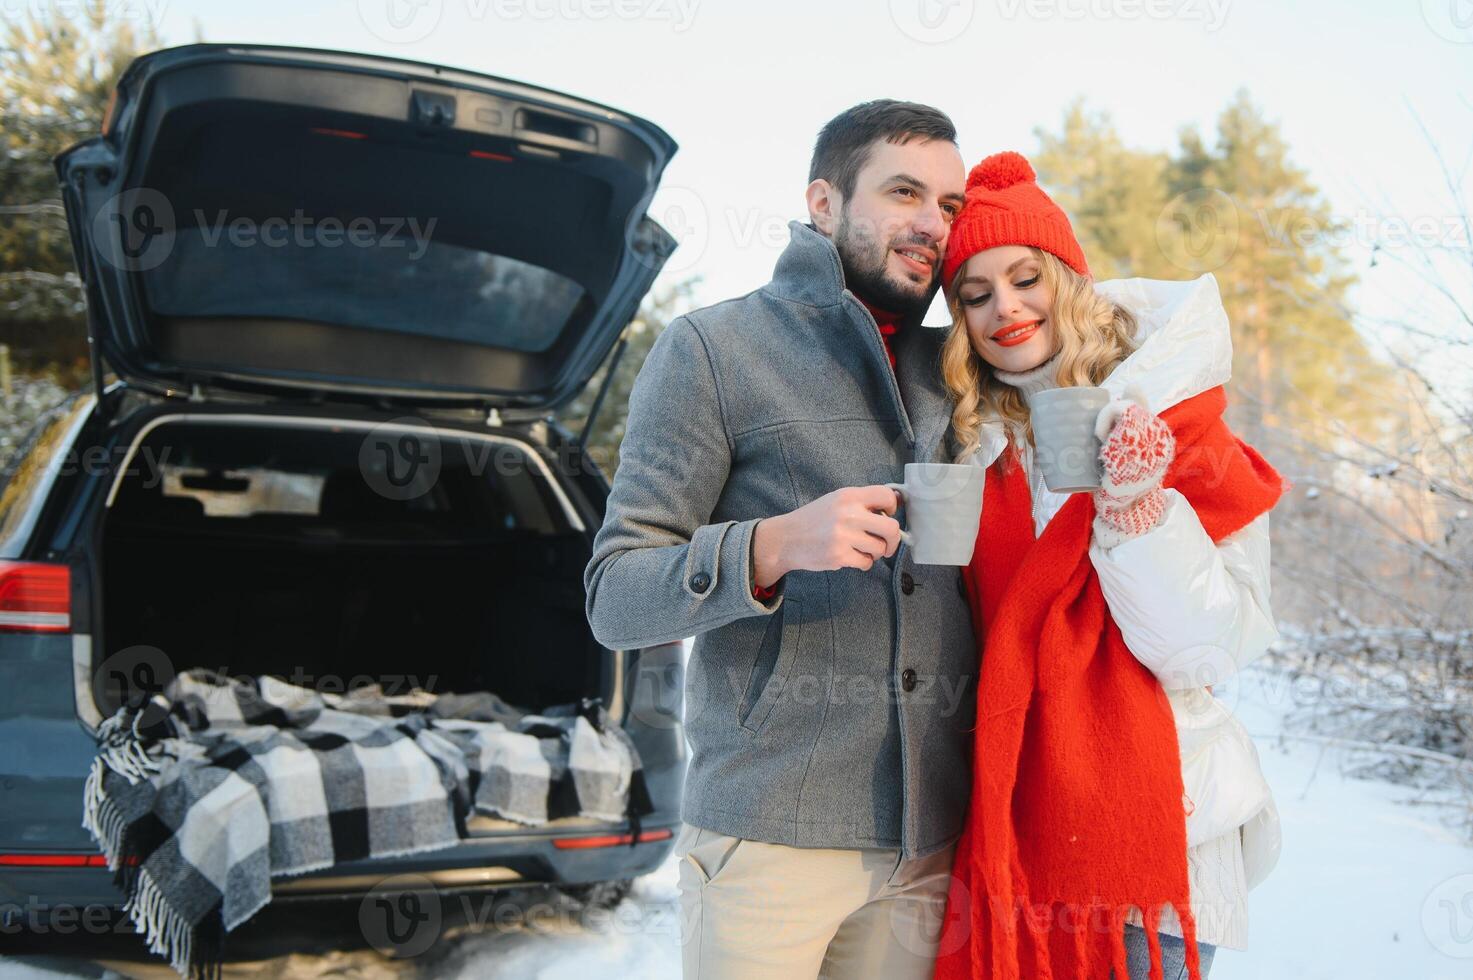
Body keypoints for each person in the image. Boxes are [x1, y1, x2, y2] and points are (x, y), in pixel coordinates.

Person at [583, 101, 974, 979]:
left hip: (929, 846)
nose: (929, 224)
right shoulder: (713, 350)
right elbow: (615, 597)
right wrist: (767, 548)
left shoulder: (959, 365)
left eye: (949, 205)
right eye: (903, 191)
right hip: (767, 841)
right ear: (824, 202)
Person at [930, 151, 1286, 980]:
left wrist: (1137, 513)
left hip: (1147, 834)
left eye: (1024, 278)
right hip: (999, 828)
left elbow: (1207, 650)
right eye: (974, 295)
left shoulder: (1186, 433)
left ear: (1068, 279)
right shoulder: (962, 451)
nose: (1004, 309)